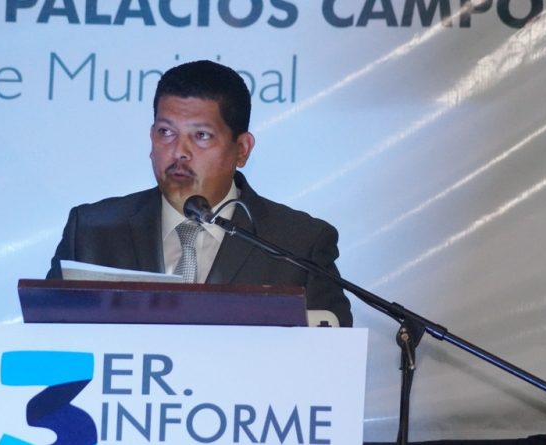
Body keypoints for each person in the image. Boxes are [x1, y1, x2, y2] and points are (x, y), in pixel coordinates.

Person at [47, 60, 352, 327]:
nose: (179, 151)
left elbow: (331, 360)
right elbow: (49, 341)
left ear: (242, 149)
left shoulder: (299, 245)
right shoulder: (91, 232)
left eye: (201, 135)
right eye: (166, 132)